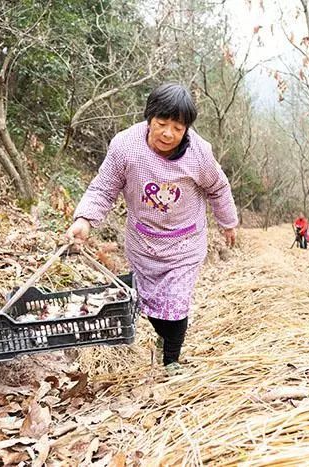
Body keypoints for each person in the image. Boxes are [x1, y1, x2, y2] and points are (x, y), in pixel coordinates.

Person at [66, 83, 238, 374]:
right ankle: (162, 337)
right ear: (149, 117)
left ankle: (172, 360)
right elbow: (104, 187)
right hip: (143, 241)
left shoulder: (199, 153)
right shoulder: (125, 146)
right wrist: (84, 220)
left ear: (187, 130)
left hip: (185, 241)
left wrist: (228, 222)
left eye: (178, 128)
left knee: (176, 300)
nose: (168, 133)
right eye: (162, 123)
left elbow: (218, 188)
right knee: (150, 302)